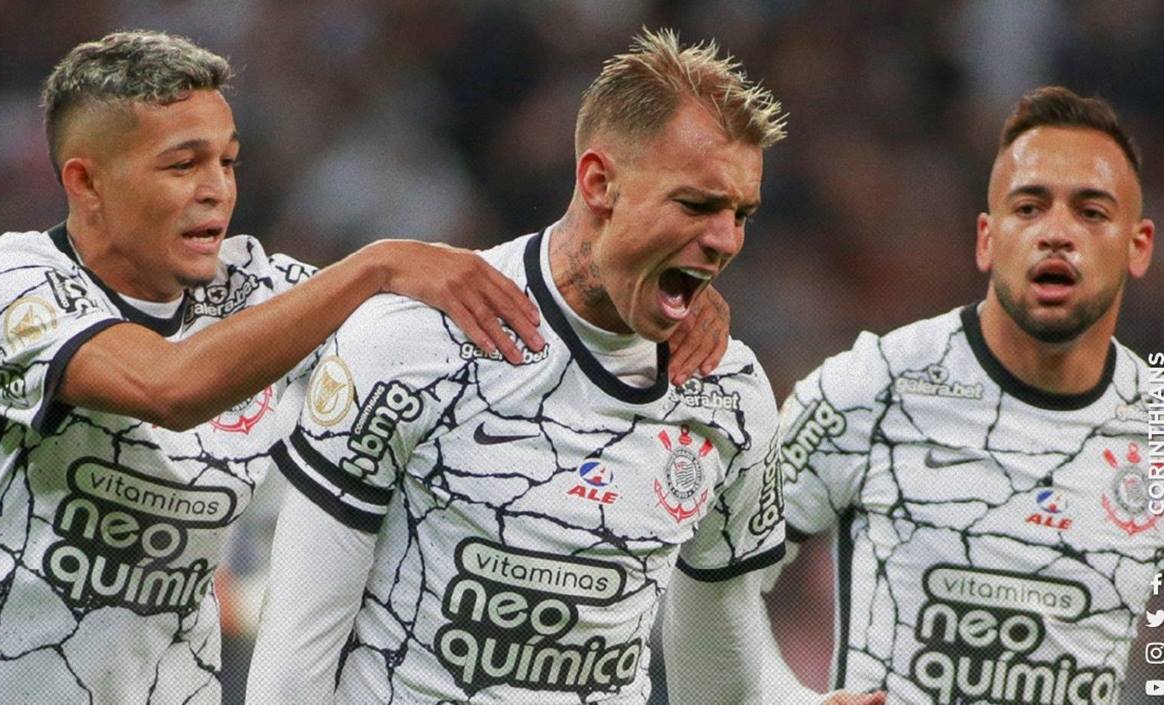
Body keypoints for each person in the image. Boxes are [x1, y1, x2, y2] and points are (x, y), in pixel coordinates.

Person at [0, 30, 728, 705]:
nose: (217, 188)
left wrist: (649, 289)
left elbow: (474, 323)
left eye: (228, 161)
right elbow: (165, 387)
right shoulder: (11, 286)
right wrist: (377, 264)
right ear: (86, 183)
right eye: (183, 164)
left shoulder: (258, 295)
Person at [246, 28, 797, 704]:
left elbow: (722, 668)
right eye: (696, 204)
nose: (724, 241)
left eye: (741, 213)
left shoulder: (730, 395)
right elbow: (294, 654)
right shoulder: (414, 345)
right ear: (600, 182)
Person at [675, 86, 1164, 705]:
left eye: (1092, 212)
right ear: (987, 240)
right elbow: (708, 576)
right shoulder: (871, 389)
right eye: (1029, 208)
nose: (1056, 233)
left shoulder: (1162, 434)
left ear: (1139, 245)